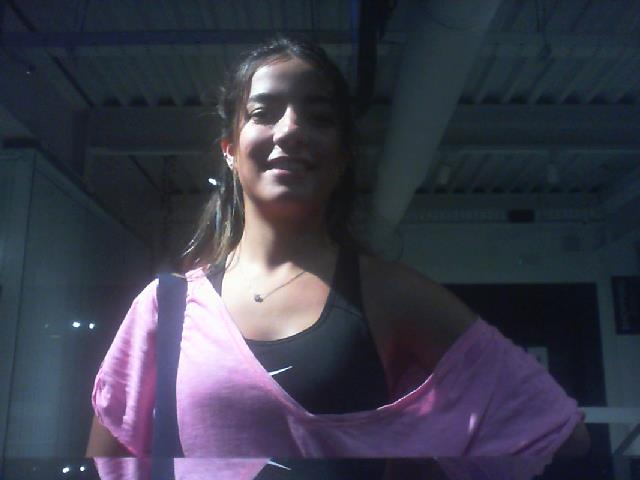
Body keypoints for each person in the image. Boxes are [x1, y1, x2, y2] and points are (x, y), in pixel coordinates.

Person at [86, 37, 589, 459]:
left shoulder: (388, 294)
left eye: (319, 118)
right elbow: (108, 468)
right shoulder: (166, 307)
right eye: (263, 112)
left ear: (343, 155)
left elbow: (558, 435)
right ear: (230, 150)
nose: (291, 130)